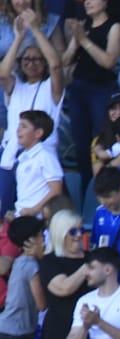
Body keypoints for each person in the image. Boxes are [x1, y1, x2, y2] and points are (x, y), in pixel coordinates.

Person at [0, 23, 64, 216]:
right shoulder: (16, 85)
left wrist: (36, 29)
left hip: (41, 157)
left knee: (33, 216)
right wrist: (19, 37)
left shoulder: (51, 88)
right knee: (4, 212)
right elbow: (3, 73)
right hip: (11, 156)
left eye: (37, 59)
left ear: (43, 63)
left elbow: (56, 64)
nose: (31, 63)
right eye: (26, 59)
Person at [62, 0, 120, 193]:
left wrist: (84, 41)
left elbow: (109, 61)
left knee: (101, 139)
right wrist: (75, 41)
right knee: (81, 144)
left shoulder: (114, 26)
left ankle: (104, 187)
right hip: (79, 87)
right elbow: (65, 59)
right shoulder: (83, 26)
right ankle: (86, 189)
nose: (87, 2)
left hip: (101, 88)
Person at [38, 210, 92, 339]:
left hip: (88, 330)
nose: (79, 235)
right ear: (60, 234)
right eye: (72, 231)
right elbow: (62, 288)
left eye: (80, 230)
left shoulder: (90, 258)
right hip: (59, 331)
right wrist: (84, 270)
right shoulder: (50, 261)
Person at [0, 216, 44, 339]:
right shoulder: (30, 265)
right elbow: (42, 304)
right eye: (41, 235)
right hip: (14, 331)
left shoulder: (19, 261)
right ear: (31, 240)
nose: (44, 239)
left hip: (12, 329)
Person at [12, 110, 63, 218]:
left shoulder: (46, 156)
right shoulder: (22, 158)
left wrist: (34, 210)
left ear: (38, 133)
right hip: (22, 215)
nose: (18, 130)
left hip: (37, 218)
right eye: (19, 125)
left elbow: (56, 190)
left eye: (24, 126)